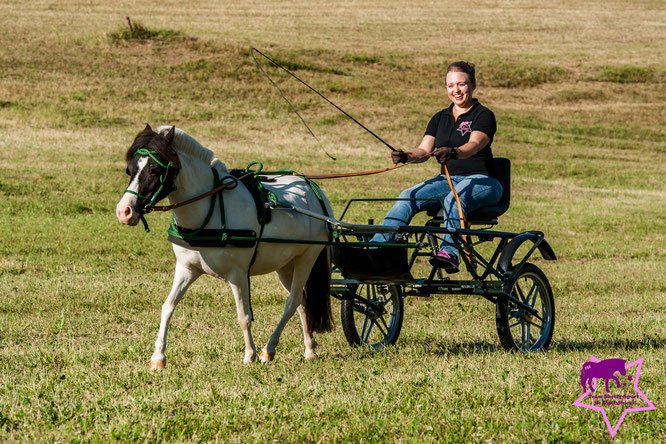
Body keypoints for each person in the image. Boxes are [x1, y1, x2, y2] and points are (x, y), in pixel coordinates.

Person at [370, 61, 503, 273]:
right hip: (447, 181)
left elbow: (474, 145)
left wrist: (454, 151)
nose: (456, 90)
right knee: (407, 195)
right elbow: (423, 151)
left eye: (461, 84)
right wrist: (406, 155)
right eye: (450, 86)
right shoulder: (439, 117)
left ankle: (449, 252)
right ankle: (377, 246)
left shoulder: (483, 115)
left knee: (454, 199)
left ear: (473, 85)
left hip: (484, 181)